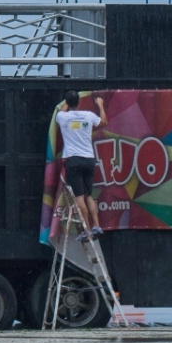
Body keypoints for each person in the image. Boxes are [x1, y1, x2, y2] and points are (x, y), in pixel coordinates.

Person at [54, 90, 108, 237]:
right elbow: (104, 122)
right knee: (88, 195)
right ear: (79, 102)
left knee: (79, 196)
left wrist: (67, 102)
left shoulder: (62, 117)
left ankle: (87, 229)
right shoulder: (88, 116)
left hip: (74, 160)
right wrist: (100, 106)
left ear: (67, 102)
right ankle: (96, 226)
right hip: (89, 159)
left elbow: (62, 109)